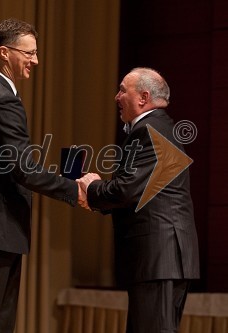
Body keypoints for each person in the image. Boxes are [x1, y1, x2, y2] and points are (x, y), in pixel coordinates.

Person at [0, 18, 83, 333]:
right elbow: (23, 168)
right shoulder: (1, 99)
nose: (35, 61)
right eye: (29, 53)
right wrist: (75, 188)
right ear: (4, 52)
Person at [77, 67, 200, 333]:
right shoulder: (160, 127)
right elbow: (138, 193)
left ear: (143, 97)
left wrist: (92, 187)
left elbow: (125, 191)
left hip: (159, 256)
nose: (116, 97)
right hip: (164, 257)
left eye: (123, 89)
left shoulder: (148, 130)